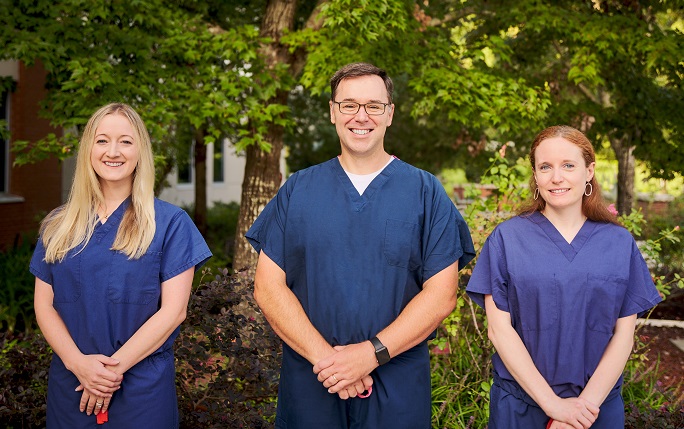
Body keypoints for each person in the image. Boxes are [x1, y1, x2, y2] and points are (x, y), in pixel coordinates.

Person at [245, 62, 475, 428]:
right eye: (349, 104)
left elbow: (442, 294)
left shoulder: (425, 192)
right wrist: (332, 363)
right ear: (333, 112)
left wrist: (371, 354)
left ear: (390, 114)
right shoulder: (298, 190)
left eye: (374, 105)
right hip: (313, 379)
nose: (361, 116)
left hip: (395, 383)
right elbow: (268, 288)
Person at [466, 125, 662, 429]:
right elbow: (499, 331)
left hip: (595, 410)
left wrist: (580, 413)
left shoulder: (619, 243)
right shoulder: (507, 239)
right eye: (545, 167)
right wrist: (554, 406)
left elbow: (624, 336)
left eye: (568, 165)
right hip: (522, 406)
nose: (556, 177)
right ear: (535, 175)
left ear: (589, 171)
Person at [30, 103, 212, 428]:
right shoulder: (59, 225)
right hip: (72, 386)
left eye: (125, 141)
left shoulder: (170, 223)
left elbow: (173, 312)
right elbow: (44, 305)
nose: (113, 151)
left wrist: (108, 374)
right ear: (88, 148)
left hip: (141, 391)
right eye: (102, 140)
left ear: (140, 149)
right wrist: (78, 364)